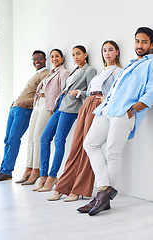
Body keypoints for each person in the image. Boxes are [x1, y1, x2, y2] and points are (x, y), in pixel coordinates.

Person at [80, 27, 153, 215]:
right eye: (137, 41)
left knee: (112, 153)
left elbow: (151, 95)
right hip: (106, 110)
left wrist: (131, 111)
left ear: (152, 44)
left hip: (124, 113)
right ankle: (104, 192)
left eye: (144, 42)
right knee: (90, 144)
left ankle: (101, 198)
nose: (139, 45)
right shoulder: (130, 64)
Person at [47, 40, 122, 202]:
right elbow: (88, 91)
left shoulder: (118, 71)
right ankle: (64, 186)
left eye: (110, 50)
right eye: (104, 50)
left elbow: (118, 92)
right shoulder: (102, 71)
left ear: (117, 52)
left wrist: (105, 100)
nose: (107, 53)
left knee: (88, 148)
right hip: (87, 104)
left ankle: (79, 189)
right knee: (75, 146)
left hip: (99, 106)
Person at [33, 45, 97, 192]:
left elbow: (92, 92)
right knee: (44, 138)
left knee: (58, 140)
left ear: (85, 55)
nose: (76, 57)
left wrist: (79, 92)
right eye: (74, 55)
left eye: (78, 54)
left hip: (71, 108)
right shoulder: (74, 71)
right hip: (60, 106)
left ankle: (52, 177)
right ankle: (44, 175)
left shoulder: (90, 70)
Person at [0, 50, 49, 181]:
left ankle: (7, 171)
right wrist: (15, 103)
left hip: (24, 110)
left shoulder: (46, 74)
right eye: (34, 59)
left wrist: (25, 103)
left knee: (14, 139)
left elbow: (43, 95)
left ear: (45, 59)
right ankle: (3, 170)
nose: (36, 61)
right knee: (7, 139)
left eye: (39, 59)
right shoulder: (36, 74)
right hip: (15, 108)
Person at [15, 49, 69, 185]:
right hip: (38, 103)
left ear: (62, 58)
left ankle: (36, 170)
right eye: (52, 56)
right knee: (31, 137)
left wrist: (54, 107)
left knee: (39, 137)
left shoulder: (63, 72)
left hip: (47, 104)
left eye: (57, 56)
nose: (54, 59)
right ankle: (29, 168)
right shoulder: (51, 73)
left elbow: (63, 92)